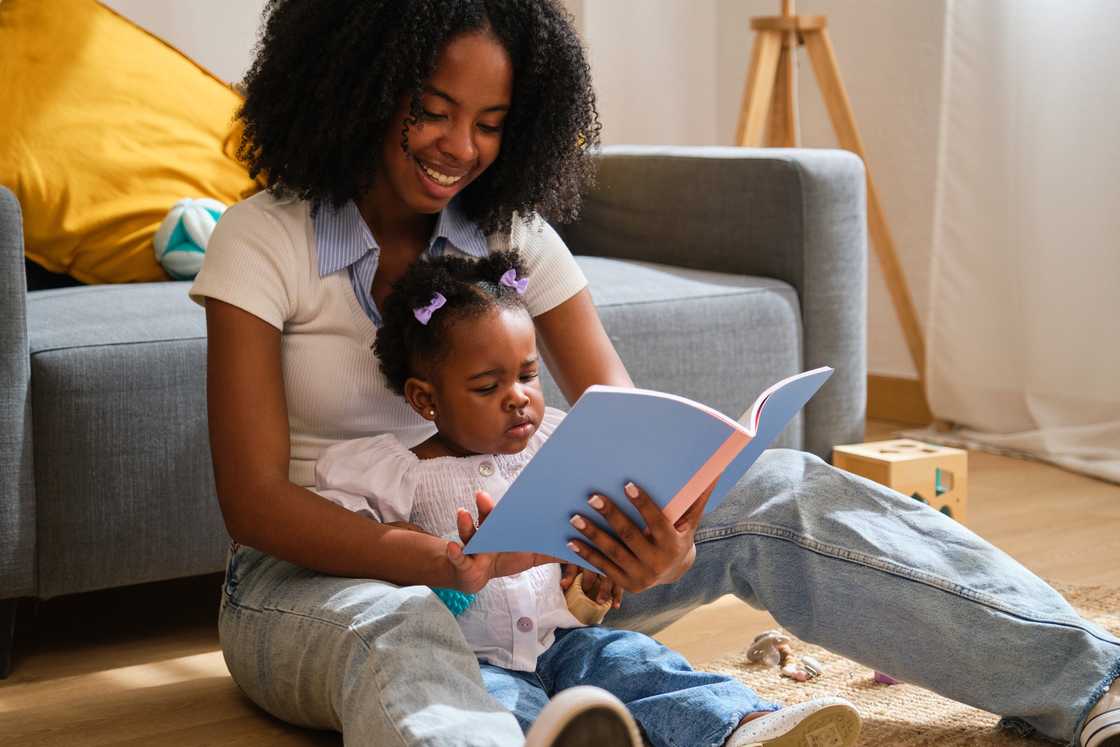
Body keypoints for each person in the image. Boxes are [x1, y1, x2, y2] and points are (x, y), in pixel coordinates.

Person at [191, 1, 1120, 746]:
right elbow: (254, 502)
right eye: (431, 110)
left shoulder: (513, 238)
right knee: (411, 627)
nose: (459, 147)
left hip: (533, 587)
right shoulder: (264, 237)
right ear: (359, 83)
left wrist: (663, 533)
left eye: (490, 123)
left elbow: (628, 432)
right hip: (317, 582)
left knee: (781, 490)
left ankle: (1090, 682)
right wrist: (437, 565)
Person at [310, 249, 863, 746]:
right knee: (501, 711)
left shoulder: (560, 443)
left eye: (528, 375)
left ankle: (743, 726)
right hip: (472, 661)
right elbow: (357, 561)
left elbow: (574, 570)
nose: (518, 398)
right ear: (424, 399)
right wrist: (436, 559)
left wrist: (591, 587)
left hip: (565, 641)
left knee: (639, 662)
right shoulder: (398, 473)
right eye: (487, 386)